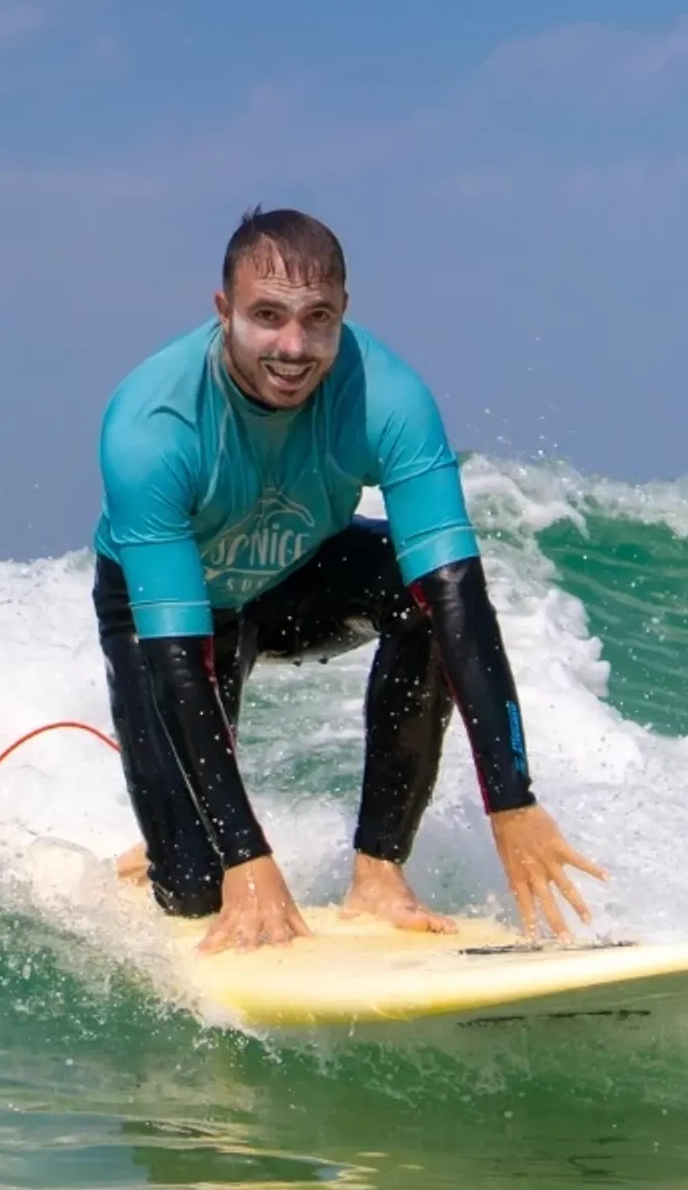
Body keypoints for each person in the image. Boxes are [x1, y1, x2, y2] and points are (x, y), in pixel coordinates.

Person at [92, 207, 604, 954]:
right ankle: (169, 850)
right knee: (200, 891)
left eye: (316, 318)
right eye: (267, 316)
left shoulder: (387, 396)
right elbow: (179, 662)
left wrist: (513, 802)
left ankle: (378, 874)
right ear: (223, 311)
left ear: (343, 315)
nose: (293, 347)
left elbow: (457, 591)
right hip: (169, 618)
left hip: (297, 576)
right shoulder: (153, 425)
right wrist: (248, 860)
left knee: (419, 598)